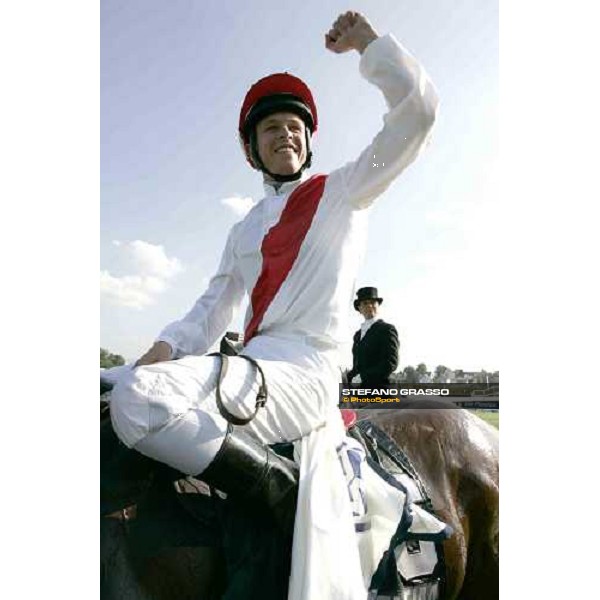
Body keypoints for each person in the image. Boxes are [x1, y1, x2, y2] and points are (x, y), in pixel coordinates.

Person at [104, 10, 438, 599]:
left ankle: (281, 497)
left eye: (294, 127)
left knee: (138, 401)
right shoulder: (243, 229)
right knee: (106, 387)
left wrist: (369, 47)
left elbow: (417, 115)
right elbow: (211, 309)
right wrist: (162, 349)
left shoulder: (342, 191)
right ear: (251, 151)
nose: (285, 134)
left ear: (309, 140)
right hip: (250, 366)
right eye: (270, 130)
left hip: (304, 372)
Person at [347, 287, 399, 387]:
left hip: (381, 391)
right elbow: (357, 367)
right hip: (360, 391)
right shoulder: (357, 335)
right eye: (365, 303)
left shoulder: (387, 329)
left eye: (373, 302)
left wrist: (363, 377)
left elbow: (391, 363)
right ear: (359, 309)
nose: (369, 306)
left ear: (378, 305)